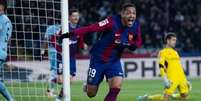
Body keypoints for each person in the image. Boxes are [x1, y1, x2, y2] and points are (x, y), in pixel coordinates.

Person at [61, 2, 142, 101]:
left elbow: (138, 41)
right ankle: (87, 86)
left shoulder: (136, 25)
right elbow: (91, 28)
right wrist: (70, 34)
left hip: (114, 61)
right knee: (91, 93)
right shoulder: (112, 22)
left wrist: (134, 46)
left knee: (116, 87)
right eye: (129, 13)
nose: (132, 15)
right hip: (98, 60)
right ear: (122, 13)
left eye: (134, 13)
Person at [137, 33, 191, 101]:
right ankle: (148, 98)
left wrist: (186, 78)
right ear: (168, 41)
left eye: (175, 40)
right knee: (165, 98)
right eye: (173, 40)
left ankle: (173, 96)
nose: (175, 42)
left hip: (181, 78)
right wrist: (165, 78)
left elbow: (179, 65)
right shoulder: (162, 52)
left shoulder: (175, 52)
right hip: (172, 78)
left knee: (184, 96)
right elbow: (161, 66)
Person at [48, 9, 81, 101]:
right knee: (60, 80)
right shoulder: (64, 28)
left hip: (72, 58)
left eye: (77, 16)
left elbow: (80, 40)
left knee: (70, 80)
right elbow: (53, 38)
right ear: (69, 17)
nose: (76, 18)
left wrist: (82, 46)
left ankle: (59, 98)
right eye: (74, 16)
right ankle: (51, 85)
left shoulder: (79, 28)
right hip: (61, 57)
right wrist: (59, 50)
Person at [0, 0, 14, 101]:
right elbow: (9, 40)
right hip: (3, 51)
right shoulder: (8, 20)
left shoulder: (0, 19)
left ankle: (10, 99)